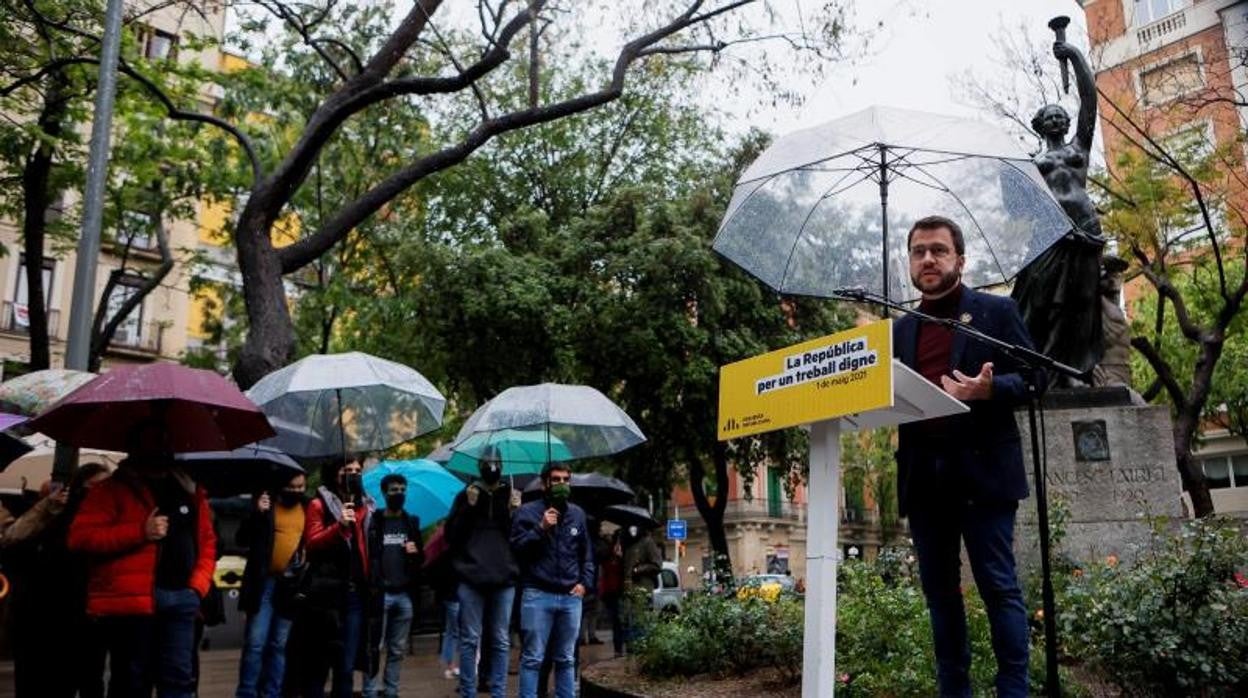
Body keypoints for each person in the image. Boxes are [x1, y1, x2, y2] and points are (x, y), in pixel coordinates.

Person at [894, 215, 1034, 697]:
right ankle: (954, 691)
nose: (927, 259)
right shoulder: (899, 329)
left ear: (960, 259)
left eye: (938, 249)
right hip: (924, 479)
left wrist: (992, 388)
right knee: (940, 596)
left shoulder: (996, 312)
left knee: (998, 587)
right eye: (918, 251)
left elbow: (1037, 379)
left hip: (983, 473)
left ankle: (1013, 691)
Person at [69, 448, 217, 698]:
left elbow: (207, 541)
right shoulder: (110, 489)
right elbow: (81, 538)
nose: (160, 443)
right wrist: (140, 531)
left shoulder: (190, 490)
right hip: (132, 602)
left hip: (182, 597)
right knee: (132, 680)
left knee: (180, 680)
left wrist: (197, 586)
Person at [1011, 38, 1105, 385]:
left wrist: (1075, 56)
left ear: (1065, 123)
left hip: (1086, 228)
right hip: (1051, 234)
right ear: (1039, 125)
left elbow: (1089, 99)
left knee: (1082, 301)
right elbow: (1017, 210)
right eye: (1047, 116)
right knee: (1042, 300)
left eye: (1058, 115)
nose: (1054, 118)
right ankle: (1043, 369)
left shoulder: (1079, 146)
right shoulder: (1032, 163)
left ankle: (1076, 371)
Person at [2, 464, 111, 698]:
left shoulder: (106, 517)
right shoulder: (56, 518)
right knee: (56, 680)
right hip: (47, 615)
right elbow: (11, 539)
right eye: (95, 487)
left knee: (90, 678)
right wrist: (47, 508)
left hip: (91, 612)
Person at [511, 463, 593, 698]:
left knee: (566, 659)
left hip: (571, 597)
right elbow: (517, 549)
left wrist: (584, 583)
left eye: (566, 480)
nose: (561, 485)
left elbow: (586, 553)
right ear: (544, 483)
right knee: (533, 658)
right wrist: (541, 528)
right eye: (556, 480)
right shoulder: (526, 513)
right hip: (537, 594)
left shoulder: (577, 514)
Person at [445, 447, 519, 698]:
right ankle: (469, 692)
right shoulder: (465, 495)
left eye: (496, 461)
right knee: (469, 640)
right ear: (479, 466)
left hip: (504, 577)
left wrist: (514, 513)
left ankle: (498, 692)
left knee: (500, 639)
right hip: (471, 577)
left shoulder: (511, 495)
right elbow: (451, 537)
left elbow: (519, 538)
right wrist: (469, 506)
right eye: (487, 462)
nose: (492, 466)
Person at [299, 456, 374, 698]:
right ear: (335, 473)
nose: (353, 474)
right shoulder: (318, 505)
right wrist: (338, 526)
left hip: (355, 593)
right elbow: (311, 544)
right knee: (319, 665)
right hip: (326, 595)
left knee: (346, 665)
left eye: (357, 470)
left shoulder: (366, 506)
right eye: (347, 470)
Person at [235, 471, 308, 698]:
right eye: (292, 486)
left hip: (290, 584)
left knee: (279, 644)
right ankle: (247, 693)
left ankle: (272, 693)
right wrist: (257, 513)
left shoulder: (307, 507)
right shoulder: (265, 505)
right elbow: (241, 539)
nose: (296, 491)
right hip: (264, 582)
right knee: (256, 643)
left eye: (301, 487)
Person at [362, 473, 425, 698]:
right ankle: (369, 691)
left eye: (402, 490)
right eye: (393, 490)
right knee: (374, 647)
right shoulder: (373, 522)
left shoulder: (411, 522)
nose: (398, 494)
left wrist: (416, 553)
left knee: (397, 649)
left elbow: (421, 558)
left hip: (404, 594)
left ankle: (391, 692)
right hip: (380, 594)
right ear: (384, 493)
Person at [597, 531, 626, 657]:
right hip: (611, 592)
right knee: (617, 621)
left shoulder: (622, 559)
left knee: (621, 621)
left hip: (620, 591)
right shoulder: (607, 557)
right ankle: (618, 649)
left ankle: (622, 648)